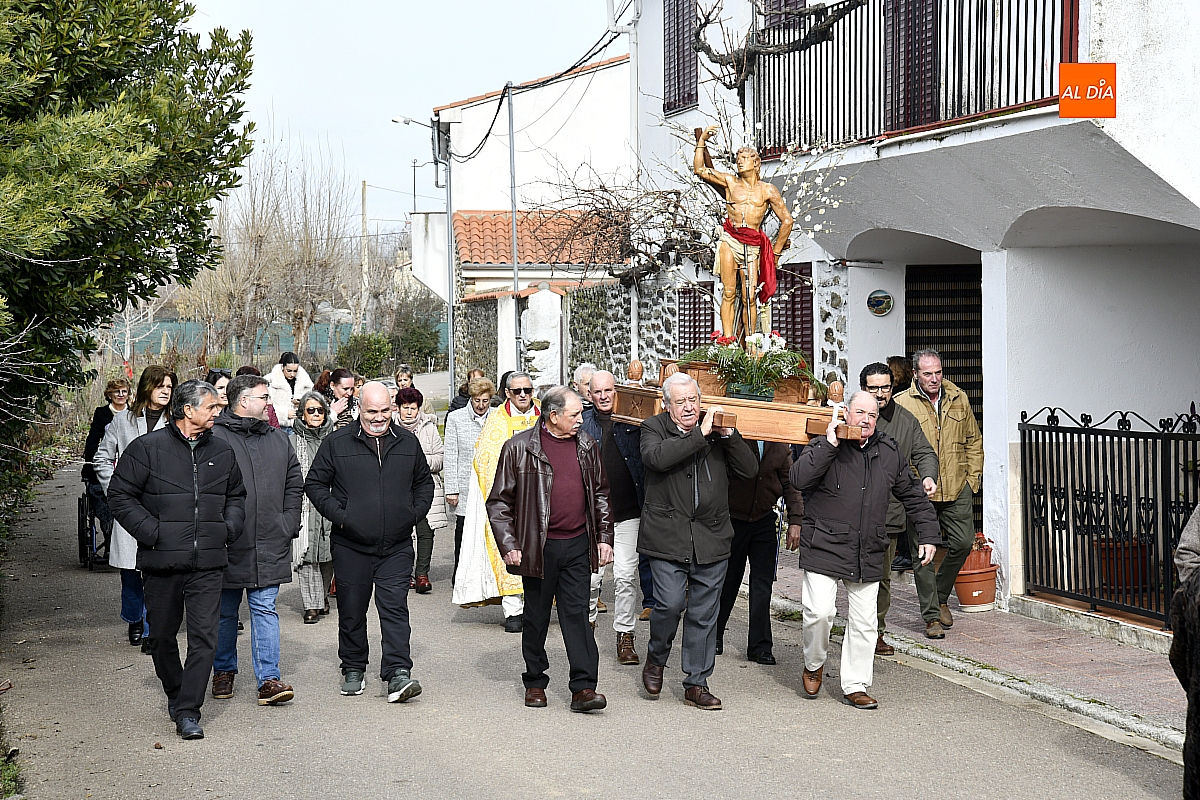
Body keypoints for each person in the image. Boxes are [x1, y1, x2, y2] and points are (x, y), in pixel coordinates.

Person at [107, 379, 247, 740]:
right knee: (161, 637)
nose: (217, 411)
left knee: (205, 638)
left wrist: (228, 528)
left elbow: (237, 496)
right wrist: (153, 533)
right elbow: (120, 495)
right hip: (162, 561)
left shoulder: (222, 450)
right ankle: (176, 692)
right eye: (211, 406)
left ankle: (188, 711)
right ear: (188, 410)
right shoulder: (147, 449)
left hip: (208, 563)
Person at [789, 391, 940, 709]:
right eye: (860, 413)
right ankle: (814, 664)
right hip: (824, 544)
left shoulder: (888, 451)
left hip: (867, 548)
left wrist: (928, 534)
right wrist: (829, 445)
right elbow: (798, 479)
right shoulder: (824, 442)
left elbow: (913, 495)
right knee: (819, 613)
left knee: (865, 623)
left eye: (872, 415)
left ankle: (855, 684)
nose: (866, 420)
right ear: (846, 413)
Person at [303, 382, 433, 702]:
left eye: (385, 410)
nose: (379, 417)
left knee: (395, 610)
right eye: (372, 411)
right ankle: (353, 667)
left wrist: (412, 514)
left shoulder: (407, 442)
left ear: (393, 408)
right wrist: (342, 516)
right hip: (351, 546)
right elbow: (315, 484)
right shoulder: (337, 443)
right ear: (359, 408)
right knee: (351, 610)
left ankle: (398, 672)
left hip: (397, 546)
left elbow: (424, 484)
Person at [487, 386, 614, 712]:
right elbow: (499, 502)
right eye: (575, 414)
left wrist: (604, 537)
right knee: (536, 617)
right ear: (553, 416)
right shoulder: (519, 448)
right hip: (538, 548)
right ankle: (534, 681)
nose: (581, 419)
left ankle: (584, 688)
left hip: (577, 545)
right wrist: (509, 544)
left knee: (577, 616)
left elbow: (600, 494)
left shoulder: (587, 445)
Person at [638, 373, 757, 710]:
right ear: (667, 405)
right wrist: (699, 435)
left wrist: (729, 435)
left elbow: (749, 471)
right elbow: (656, 458)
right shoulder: (653, 428)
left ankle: (697, 682)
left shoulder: (718, 432)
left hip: (712, 537)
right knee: (669, 604)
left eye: (694, 400)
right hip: (666, 537)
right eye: (681, 402)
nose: (689, 407)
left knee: (705, 613)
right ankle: (656, 658)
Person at [209, 374, 304, 707]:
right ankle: (223, 671)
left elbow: (295, 483)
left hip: (270, 539)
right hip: (227, 542)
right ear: (243, 401)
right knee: (224, 612)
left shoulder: (278, 439)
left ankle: (269, 680)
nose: (269, 403)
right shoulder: (214, 438)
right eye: (264, 397)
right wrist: (216, 529)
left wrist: (288, 522)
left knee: (265, 608)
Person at [894, 349, 984, 637]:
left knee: (963, 542)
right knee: (923, 553)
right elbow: (898, 451)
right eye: (928, 374)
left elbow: (973, 440)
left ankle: (940, 594)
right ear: (915, 374)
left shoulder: (958, 397)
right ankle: (932, 617)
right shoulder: (902, 403)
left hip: (957, 485)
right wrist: (909, 486)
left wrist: (972, 480)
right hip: (920, 491)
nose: (934, 379)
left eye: (938, 372)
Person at [94, 366, 176, 653]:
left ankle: (152, 629)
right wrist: (116, 491)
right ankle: (134, 619)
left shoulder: (176, 421)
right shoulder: (123, 421)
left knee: (158, 571)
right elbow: (102, 458)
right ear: (147, 387)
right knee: (131, 570)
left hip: (164, 506)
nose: (166, 391)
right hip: (130, 505)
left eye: (170, 386)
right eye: (160, 386)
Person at [859, 362, 939, 652]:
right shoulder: (851, 416)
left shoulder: (905, 421)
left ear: (893, 388)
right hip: (851, 512)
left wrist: (928, 476)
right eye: (873, 388)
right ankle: (852, 626)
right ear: (863, 388)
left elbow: (924, 452)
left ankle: (875, 632)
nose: (880, 394)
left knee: (880, 577)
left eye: (885, 387)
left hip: (887, 514)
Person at [452, 371, 540, 632]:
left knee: (538, 552)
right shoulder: (497, 421)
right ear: (508, 393)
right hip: (510, 499)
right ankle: (513, 610)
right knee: (510, 551)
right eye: (517, 391)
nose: (523, 395)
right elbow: (485, 459)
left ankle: (535, 607)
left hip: (542, 499)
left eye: (527, 390)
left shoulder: (546, 415)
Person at [693, 125, 794, 337]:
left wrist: (775, 253)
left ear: (756, 163)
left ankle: (751, 343)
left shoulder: (767, 190)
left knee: (750, 297)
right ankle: (728, 340)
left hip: (752, 245)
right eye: (738, 158)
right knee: (729, 292)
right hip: (730, 240)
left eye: (745, 158)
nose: (739, 161)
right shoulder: (730, 182)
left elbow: (787, 221)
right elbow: (700, 170)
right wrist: (702, 140)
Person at [715, 436, 803, 665]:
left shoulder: (780, 443)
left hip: (764, 520)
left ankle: (760, 647)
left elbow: (790, 483)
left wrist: (796, 520)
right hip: (733, 519)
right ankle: (713, 635)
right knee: (728, 581)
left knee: (762, 586)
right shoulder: (736, 436)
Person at [581, 370, 647, 665]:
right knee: (591, 579)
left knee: (625, 577)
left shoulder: (632, 421)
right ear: (589, 394)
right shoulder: (582, 424)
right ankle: (587, 629)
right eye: (598, 391)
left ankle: (625, 634)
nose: (604, 396)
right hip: (593, 515)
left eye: (608, 390)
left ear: (616, 391)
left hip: (629, 512)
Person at [395, 387, 447, 593]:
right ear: (398, 408)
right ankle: (404, 573)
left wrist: (420, 463)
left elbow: (440, 457)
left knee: (425, 530)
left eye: (413, 408)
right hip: (398, 488)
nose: (409, 412)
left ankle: (422, 574)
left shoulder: (429, 427)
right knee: (402, 532)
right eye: (405, 407)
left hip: (424, 485)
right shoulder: (390, 428)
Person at [291, 391, 336, 623]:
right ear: (302, 414)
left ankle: (322, 596)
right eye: (311, 410)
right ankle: (312, 605)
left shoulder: (336, 439)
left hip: (330, 504)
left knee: (328, 556)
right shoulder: (291, 441)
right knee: (307, 556)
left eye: (320, 410)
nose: (316, 414)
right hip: (304, 507)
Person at [444, 376, 494, 581]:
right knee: (464, 532)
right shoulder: (456, 418)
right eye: (477, 400)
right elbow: (450, 454)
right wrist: (451, 489)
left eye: (485, 401)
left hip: (491, 485)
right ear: (471, 398)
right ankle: (460, 575)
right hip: (466, 484)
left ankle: (487, 576)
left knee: (490, 532)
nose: (481, 405)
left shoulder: (497, 417)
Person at [82, 377, 132, 556]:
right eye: (116, 391)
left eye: (124, 391)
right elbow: (92, 442)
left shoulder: (134, 414)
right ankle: (110, 533)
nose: (120, 394)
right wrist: (96, 461)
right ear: (109, 394)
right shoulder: (102, 413)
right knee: (99, 494)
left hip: (128, 467)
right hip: (106, 465)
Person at [267, 352, 314, 431]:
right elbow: (265, 405)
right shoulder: (270, 381)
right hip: (278, 425)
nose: (292, 374)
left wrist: (301, 404)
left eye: (295, 371)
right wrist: (283, 414)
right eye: (289, 371)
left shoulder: (305, 383)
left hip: (299, 425)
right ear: (283, 367)